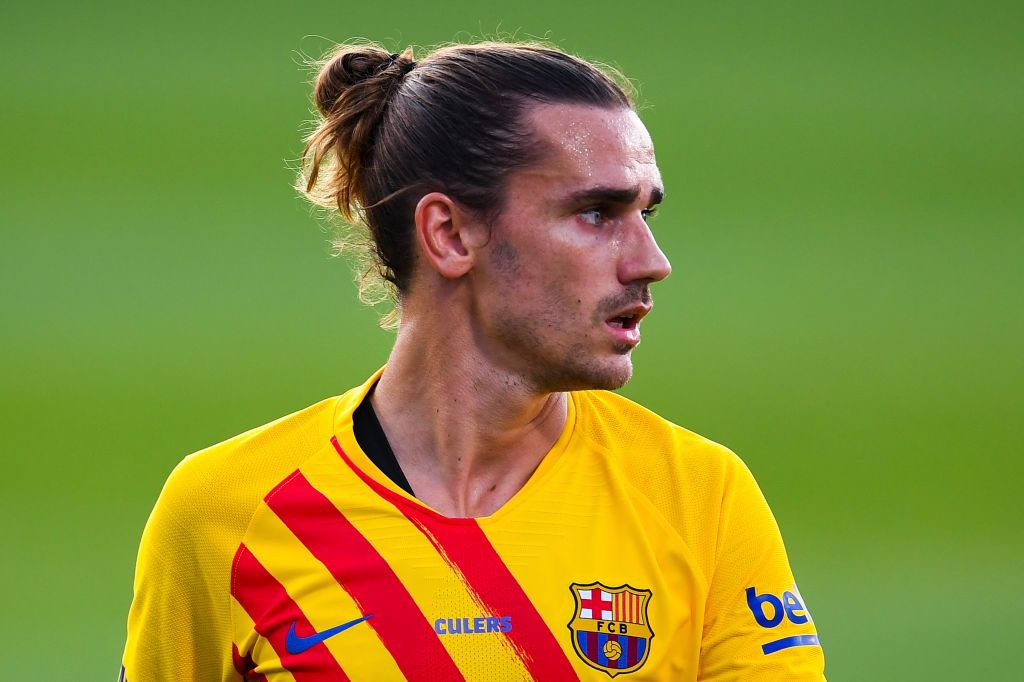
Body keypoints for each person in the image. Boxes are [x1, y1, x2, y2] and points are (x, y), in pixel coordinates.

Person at [120, 40, 825, 681]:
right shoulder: (226, 513)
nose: (652, 261)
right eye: (597, 213)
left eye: (648, 213)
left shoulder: (698, 496)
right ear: (450, 233)